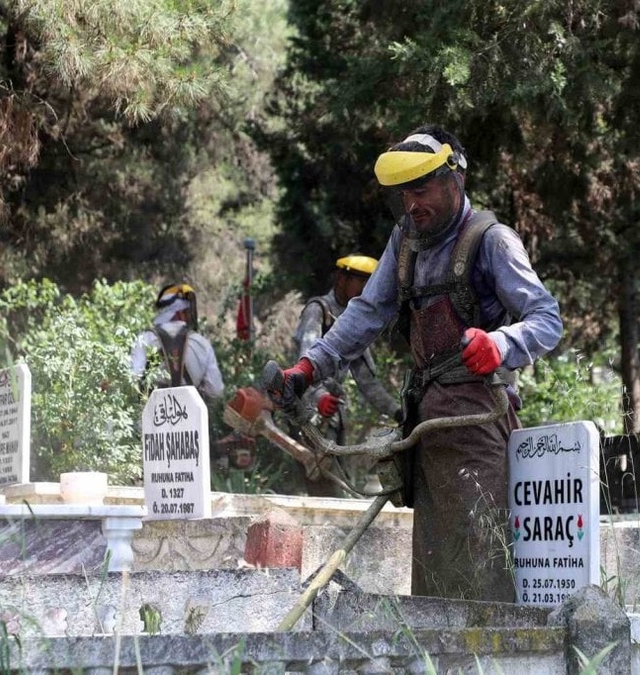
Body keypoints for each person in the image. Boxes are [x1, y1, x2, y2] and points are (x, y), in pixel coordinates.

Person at [270, 125, 562, 602]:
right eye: (404, 194)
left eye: (421, 190)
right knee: (433, 571)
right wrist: (309, 368)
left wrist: (501, 344)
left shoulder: (491, 240)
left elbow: (547, 319)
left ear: (455, 181)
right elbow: (366, 312)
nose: (411, 205)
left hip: (479, 420)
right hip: (426, 425)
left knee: (483, 559)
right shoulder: (405, 241)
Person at [291, 254, 401, 496]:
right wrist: (319, 396)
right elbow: (304, 364)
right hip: (307, 414)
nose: (366, 290)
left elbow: (367, 381)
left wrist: (397, 411)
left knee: (342, 486)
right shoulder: (318, 311)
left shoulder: (353, 321)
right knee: (320, 486)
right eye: (361, 282)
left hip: (333, 416)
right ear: (341, 278)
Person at [130, 283, 225, 401]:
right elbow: (216, 391)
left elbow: (132, 380)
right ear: (179, 313)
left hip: (151, 416)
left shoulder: (145, 339)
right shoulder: (202, 344)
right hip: (191, 417)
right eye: (186, 312)